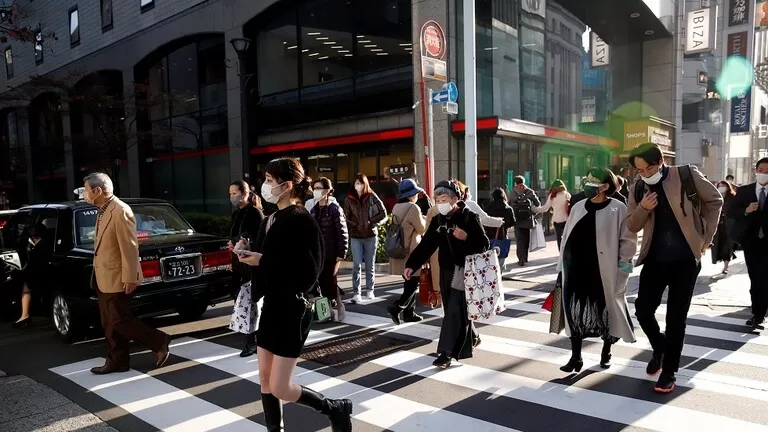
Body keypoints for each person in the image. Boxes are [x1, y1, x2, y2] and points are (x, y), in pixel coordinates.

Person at [236, 158, 352, 432]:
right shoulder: (271, 219)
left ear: (286, 185)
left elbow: (307, 273)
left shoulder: (302, 220)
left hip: (294, 309)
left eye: (268, 180)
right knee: (264, 378)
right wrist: (246, 251)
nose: (264, 186)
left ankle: (334, 408)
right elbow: (267, 259)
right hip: (273, 305)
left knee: (280, 386)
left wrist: (262, 260)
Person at [627, 143, 722, 393]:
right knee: (643, 311)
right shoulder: (637, 188)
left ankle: (669, 372)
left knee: (676, 318)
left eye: (649, 168)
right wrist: (643, 208)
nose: (646, 174)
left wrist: (706, 237)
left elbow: (715, 199)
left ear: (661, 161)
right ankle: (660, 347)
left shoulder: (685, 174)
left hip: (685, 260)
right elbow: (632, 225)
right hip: (655, 260)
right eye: (640, 170)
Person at [84, 173, 171, 375]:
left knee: (119, 320)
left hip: (118, 276)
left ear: (97, 190)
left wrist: (130, 276)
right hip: (104, 274)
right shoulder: (103, 210)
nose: (85, 195)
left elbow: (130, 247)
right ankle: (118, 360)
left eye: (87, 190)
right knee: (109, 322)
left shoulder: (120, 210)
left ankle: (159, 340)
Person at [556, 168, 636, 373]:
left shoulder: (618, 208)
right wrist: (561, 267)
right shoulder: (578, 206)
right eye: (587, 181)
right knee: (574, 312)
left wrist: (624, 267)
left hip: (603, 271)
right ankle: (576, 358)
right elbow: (566, 236)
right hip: (575, 269)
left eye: (593, 183)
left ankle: (606, 351)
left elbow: (627, 241)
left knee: (605, 311)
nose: (588, 186)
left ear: (605, 186)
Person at [403, 180, 489, 368]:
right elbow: (427, 244)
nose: (440, 203)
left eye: (444, 199)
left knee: (453, 312)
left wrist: (466, 237)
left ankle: (446, 353)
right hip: (446, 271)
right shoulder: (438, 220)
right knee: (453, 309)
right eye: (437, 199)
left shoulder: (469, 217)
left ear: (455, 199)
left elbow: (484, 244)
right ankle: (473, 337)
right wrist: (411, 265)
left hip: (464, 271)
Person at [728, 158, 768, 331]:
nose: (763, 173)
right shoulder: (744, 191)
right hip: (752, 242)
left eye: (767, 171)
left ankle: (762, 310)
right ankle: (757, 313)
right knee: (756, 278)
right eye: (761, 169)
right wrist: (746, 210)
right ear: (755, 170)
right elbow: (730, 211)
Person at [227, 180, 265, 357]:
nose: (232, 196)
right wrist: (233, 243)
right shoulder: (236, 214)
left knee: (250, 301)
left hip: (251, 264)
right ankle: (251, 337)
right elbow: (233, 235)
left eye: (235, 193)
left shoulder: (256, 214)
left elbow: (260, 240)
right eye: (230, 193)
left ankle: (252, 341)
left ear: (245, 193)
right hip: (239, 263)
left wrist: (246, 243)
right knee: (240, 297)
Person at [387, 179, 427, 325]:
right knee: (412, 284)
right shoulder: (413, 208)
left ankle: (409, 313)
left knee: (408, 282)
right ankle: (396, 307)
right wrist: (425, 218)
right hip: (412, 251)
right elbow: (422, 229)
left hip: (401, 249)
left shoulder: (397, 207)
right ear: (412, 195)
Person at [343, 173, 387, 303]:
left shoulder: (372, 196)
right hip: (356, 236)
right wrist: (355, 225)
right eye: (357, 183)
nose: (359, 186)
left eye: (361, 183)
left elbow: (383, 212)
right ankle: (356, 293)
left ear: (365, 183)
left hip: (371, 236)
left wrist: (372, 222)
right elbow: (345, 218)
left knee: (370, 265)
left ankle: (370, 290)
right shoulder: (348, 199)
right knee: (356, 265)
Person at [310, 177, 349, 322]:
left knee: (330, 282)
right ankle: (326, 313)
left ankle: (338, 306)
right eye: (314, 188)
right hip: (318, 253)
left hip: (332, 253)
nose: (316, 191)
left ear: (326, 191)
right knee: (320, 283)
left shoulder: (334, 209)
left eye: (319, 188)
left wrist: (341, 252)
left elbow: (342, 231)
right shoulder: (314, 210)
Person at [11, 223, 50, 328]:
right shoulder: (45, 243)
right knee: (26, 287)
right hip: (42, 272)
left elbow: (33, 263)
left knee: (26, 288)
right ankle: (25, 316)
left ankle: (25, 316)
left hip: (39, 273)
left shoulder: (37, 247)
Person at [510, 176, 541, 266]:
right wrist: (532, 213)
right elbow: (537, 204)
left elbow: (508, 204)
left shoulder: (512, 192)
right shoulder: (530, 191)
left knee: (519, 239)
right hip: (527, 219)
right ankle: (525, 257)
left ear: (515, 183)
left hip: (517, 219)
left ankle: (521, 259)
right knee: (526, 238)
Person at [535, 180, 570, 249]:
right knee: (567, 237)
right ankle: (566, 253)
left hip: (556, 220)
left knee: (559, 238)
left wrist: (534, 209)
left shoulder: (553, 195)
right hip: (567, 219)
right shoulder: (567, 194)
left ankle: (561, 254)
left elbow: (545, 208)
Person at [712, 180, 737, 275]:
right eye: (720, 185)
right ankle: (722, 260)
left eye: (724, 185)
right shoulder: (715, 197)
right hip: (718, 226)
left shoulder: (732, 198)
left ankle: (726, 266)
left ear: (727, 187)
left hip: (729, 225)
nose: (721, 187)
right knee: (719, 244)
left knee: (727, 245)